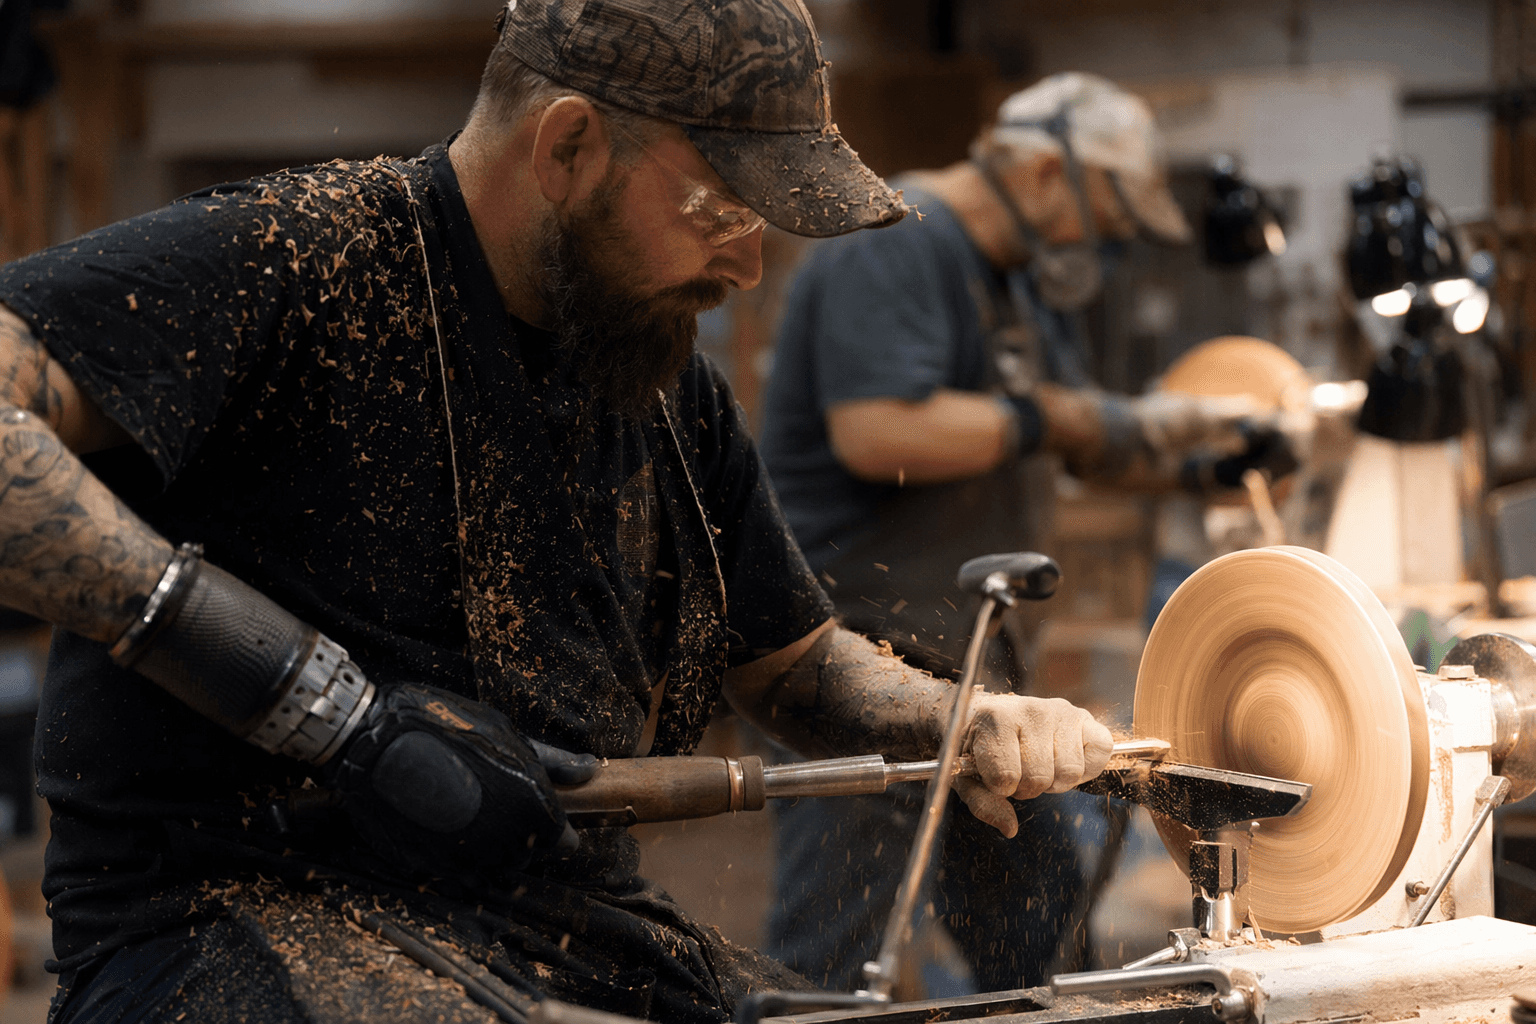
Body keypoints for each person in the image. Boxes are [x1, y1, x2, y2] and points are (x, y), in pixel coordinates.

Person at [0, 3, 1116, 1023]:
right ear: (569, 145)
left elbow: (798, 668)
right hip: (228, 920)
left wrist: (960, 717)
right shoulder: (303, 257)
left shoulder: (664, 386)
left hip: (553, 923)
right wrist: (319, 707)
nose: (748, 265)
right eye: (722, 208)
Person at [757, 73, 1292, 992]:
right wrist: (1060, 417)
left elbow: (1071, 435)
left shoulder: (1014, 282)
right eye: (1106, 223)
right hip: (860, 666)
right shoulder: (897, 240)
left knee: (1040, 926)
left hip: (975, 673)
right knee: (836, 951)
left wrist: (1204, 461)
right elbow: (879, 430)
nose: (1106, 251)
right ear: (1047, 173)